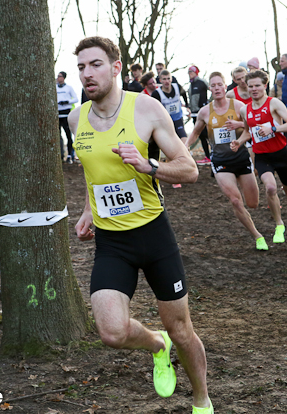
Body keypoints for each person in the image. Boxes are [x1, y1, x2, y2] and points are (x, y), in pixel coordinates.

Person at [69, 36, 213, 414]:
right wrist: (88, 210)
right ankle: (157, 345)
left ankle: (202, 398)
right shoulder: (75, 118)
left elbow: (189, 169)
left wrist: (149, 165)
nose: (87, 73)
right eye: (81, 67)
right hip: (111, 242)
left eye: (95, 64)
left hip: (153, 235)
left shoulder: (146, 109)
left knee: (182, 329)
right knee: (112, 332)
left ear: (116, 67)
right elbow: (93, 172)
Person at [185, 72, 267, 250]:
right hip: (221, 160)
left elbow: (250, 129)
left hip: (241, 158)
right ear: (210, 89)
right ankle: (257, 235)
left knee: (253, 203)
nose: (216, 88)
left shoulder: (238, 106)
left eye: (219, 85)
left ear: (225, 86)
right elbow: (196, 132)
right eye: (213, 85)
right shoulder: (205, 112)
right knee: (235, 201)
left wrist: (239, 132)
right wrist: (185, 147)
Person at [231, 70, 287, 244]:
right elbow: (248, 132)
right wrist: (238, 142)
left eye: (257, 85)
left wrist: (273, 128)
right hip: (262, 156)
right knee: (270, 188)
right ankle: (279, 225)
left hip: (281, 154)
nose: (254, 89)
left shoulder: (274, 103)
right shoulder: (245, 109)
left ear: (265, 85)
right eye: (251, 86)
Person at [151, 69, 191, 189]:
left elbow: (184, 94)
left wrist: (187, 106)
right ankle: (174, 176)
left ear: (171, 78)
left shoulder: (177, 87)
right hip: (166, 124)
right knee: (171, 150)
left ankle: (186, 169)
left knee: (185, 144)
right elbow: (154, 108)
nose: (167, 81)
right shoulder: (157, 93)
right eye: (164, 79)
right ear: (160, 80)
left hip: (178, 120)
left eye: (168, 78)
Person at [187, 65, 211, 165]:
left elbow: (212, 90)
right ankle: (208, 157)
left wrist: (209, 103)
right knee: (201, 136)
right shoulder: (190, 85)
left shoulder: (202, 82)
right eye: (188, 72)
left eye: (191, 72)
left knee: (208, 135)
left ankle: (214, 155)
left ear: (196, 72)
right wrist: (188, 107)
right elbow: (191, 99)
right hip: (194, 114)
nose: (189, 74)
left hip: (204, 113)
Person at [56, 71, 79, 164]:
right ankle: (60, 155)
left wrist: (67, 101)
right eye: (58, 76)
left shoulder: (69, 88)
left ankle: (70, 155)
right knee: (58, 136)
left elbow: (76, 99)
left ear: (64, 77)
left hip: (66, 115)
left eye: (60, 76)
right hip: (57, 115)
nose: (58, 78)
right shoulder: (54, 88)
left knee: (68, 135)